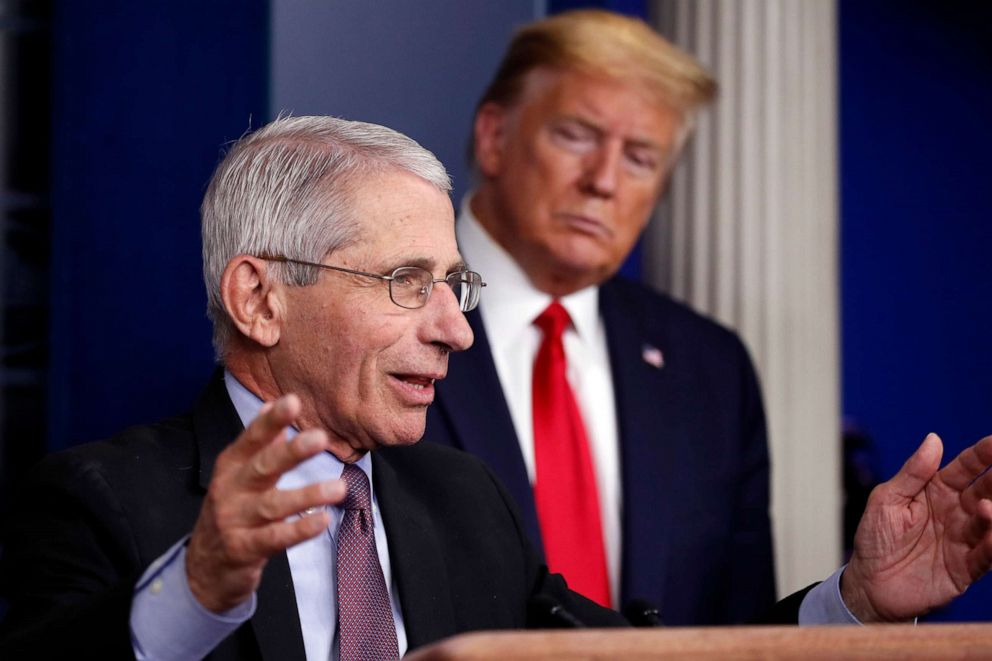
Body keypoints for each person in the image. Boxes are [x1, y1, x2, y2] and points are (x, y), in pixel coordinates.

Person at [1, 116, 990, 661]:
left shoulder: (459, 497)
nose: (456, 328)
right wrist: (200, 591)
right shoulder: (97, 501)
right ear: (260, 297)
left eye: (456, 284)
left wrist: (852, 603)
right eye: (407, 284)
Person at [420, 8, 990, 625]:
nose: (603, 180)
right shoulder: (386, 316)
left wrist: (858, 602)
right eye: (576, 135)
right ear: (493, 136)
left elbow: (736, 635)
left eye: (640, 157)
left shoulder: (709, 370)